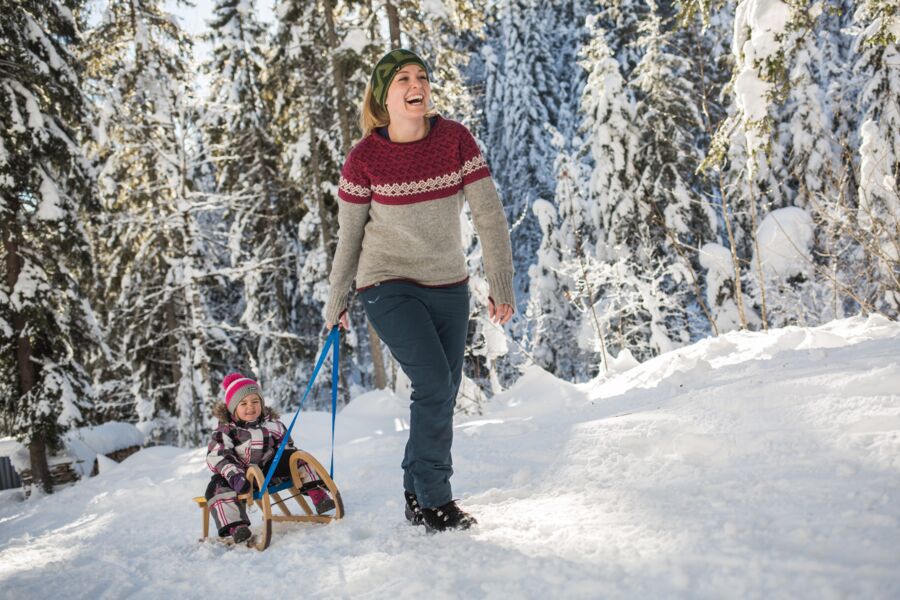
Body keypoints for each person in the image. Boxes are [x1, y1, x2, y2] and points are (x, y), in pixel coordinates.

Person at [324, 48, 515, 532]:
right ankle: (436, 501)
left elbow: (488, 214)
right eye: (404, 78)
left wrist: (499, 282)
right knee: (432, 383)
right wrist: (337, 297)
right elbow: (350, 235)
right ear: (384, 95)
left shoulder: (454, 140)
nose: (417, 84)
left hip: (447, 282)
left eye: (422, 76)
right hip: (386, 282)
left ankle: (415, 489)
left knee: (442, 390)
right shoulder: (364, 158)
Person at [204, 372, 336, 543]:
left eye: (255, 401)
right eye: (243, 403)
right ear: (232, 408)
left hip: (269, 471)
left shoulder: (272, 424)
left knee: (296, 456)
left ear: (262, 403)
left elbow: (287, 444)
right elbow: (217, 455)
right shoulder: (226, 431)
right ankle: (236, 526)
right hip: (240, 478)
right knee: (216, 487)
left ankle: (317, 493)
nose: (250, 407)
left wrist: (286, 453)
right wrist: (234, 474)